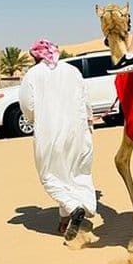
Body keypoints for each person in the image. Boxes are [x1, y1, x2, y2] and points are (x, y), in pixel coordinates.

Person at [18, 38, 97, 241]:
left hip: (50, 133)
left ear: (35, 56)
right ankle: (70, 217)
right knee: (75, 174)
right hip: (79, 133)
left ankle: (73, 209)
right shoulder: (73, 71)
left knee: (50, 176)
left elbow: (28, 107)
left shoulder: (32, 75)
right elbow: (85, 100)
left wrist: (37, 119)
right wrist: (88, 122)